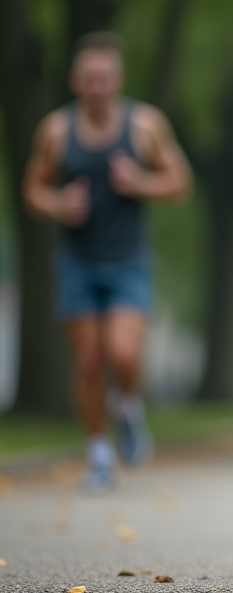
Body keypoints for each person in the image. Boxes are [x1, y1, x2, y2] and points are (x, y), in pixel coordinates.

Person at [22, 31, 192, 491]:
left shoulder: (144, 126)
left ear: (118, 79)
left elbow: (179, 182)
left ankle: (128, 408)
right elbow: (33, 188)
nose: (97, 85)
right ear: (76, 80)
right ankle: (98, 454)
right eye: (89, 78)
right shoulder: (56, 131)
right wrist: (57, 204)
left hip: (128, 260)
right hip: (77, 261)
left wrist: (140, 182)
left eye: (105, 77)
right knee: (90, 360)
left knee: (121, 353)